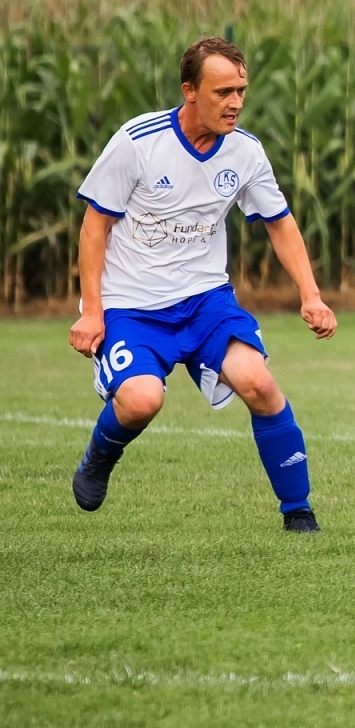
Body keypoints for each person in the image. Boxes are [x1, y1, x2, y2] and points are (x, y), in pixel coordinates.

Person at [69, 36, 336, 532]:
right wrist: (92, 310)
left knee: (259, 383)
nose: (235, 103)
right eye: (223, 92)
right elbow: (94, 227)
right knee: (142, 400)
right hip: (132, 306)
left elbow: (280, 223)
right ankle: (100, 457)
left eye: (241, 91)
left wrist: (311, 295)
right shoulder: (138, 142)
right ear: (189, 91)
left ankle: (298, 513)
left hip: (206, 301)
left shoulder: (246, 152)